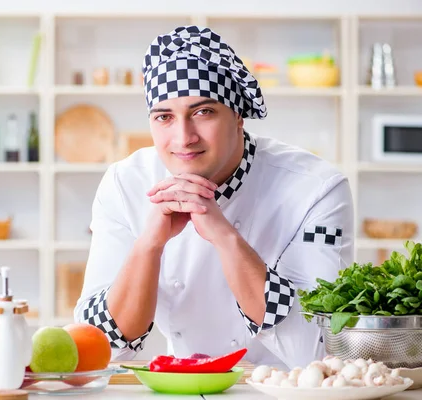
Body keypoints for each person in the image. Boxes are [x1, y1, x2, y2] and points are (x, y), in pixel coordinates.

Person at [73, 25, 354, 369]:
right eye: (164, 117)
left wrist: (224, 236)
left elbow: (317, 347)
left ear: (238, 116)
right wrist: (149, 245)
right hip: (186, 385)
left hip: (286, 387)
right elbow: (99, 346)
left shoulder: (315, 189)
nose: (183, 138)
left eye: (202, 112)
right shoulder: (125, 183)